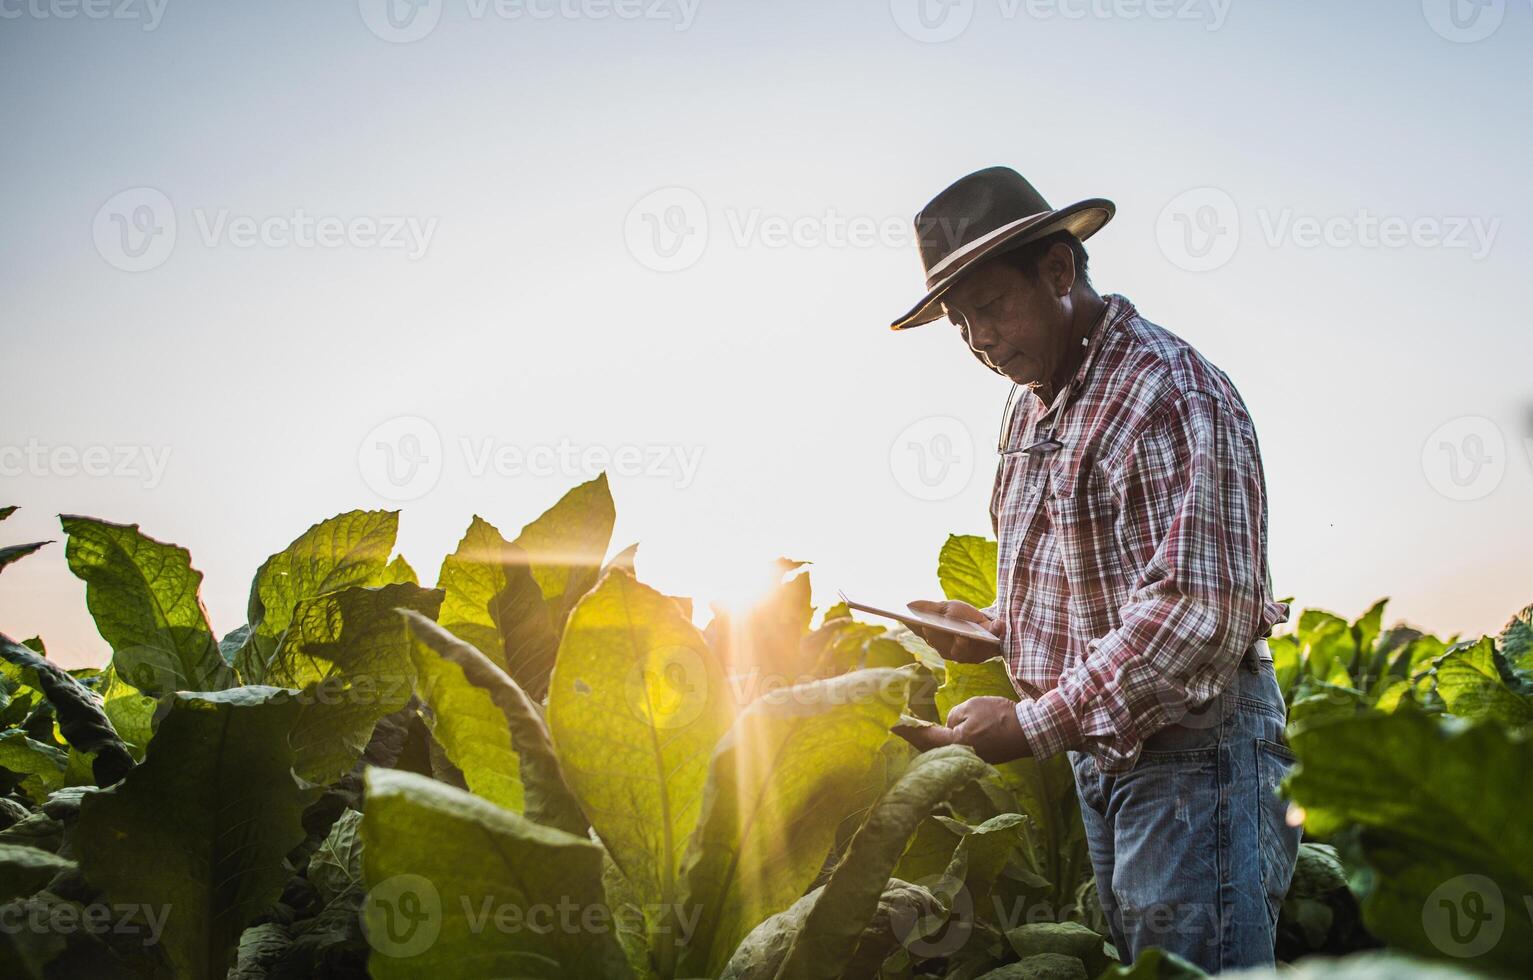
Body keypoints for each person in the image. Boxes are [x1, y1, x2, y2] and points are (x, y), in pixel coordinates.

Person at [891, 166, 1301, 973]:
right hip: (1105, 754)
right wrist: (998, 634)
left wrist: (1028, 725)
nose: (977, 339)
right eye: (959, 322)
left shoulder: (1165, 389)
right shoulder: (1032, 405)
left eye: (991, 307)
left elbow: (1196, 612)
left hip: (1194, 758)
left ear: (1057, 271)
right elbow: (1102, 584)